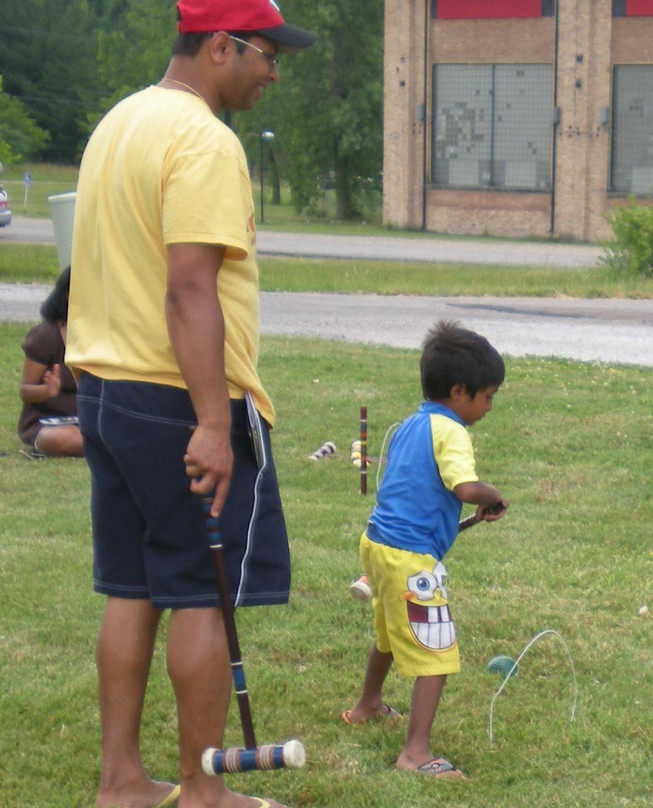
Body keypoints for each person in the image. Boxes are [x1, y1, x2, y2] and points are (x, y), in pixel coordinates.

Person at [65, 2, 315, 807]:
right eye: (267, 54)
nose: (275, 71)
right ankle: (208, 796)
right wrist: (214, 422)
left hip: (106, 390)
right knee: (199, 596)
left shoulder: (120, 120)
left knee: (132, 586)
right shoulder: (205, 139)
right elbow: (188, 286)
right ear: (220, 46)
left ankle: (123, 782)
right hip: (177, 399)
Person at [341, 320, 507, 780]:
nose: (489, 407)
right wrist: (492, 495)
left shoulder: (411, 425)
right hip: (410, 559)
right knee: (436, 650)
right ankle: (415, 753)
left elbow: (419, 492)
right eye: (487, 396)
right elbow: (465, 485)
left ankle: (366, 705)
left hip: (378, 546)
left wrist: (467, 514)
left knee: (391, 635)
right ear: (459, 390)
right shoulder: (452, 432)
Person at [18, 266, 83, 457]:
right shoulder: (47, 336)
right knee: (69, 439)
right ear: (68, 295)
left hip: (92, 420)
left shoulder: (106, 335)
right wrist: (46, 391)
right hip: (49, 422)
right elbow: (26, 391)